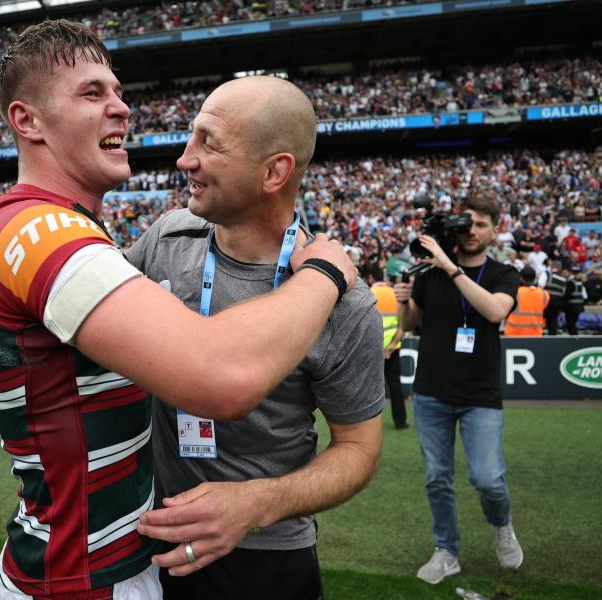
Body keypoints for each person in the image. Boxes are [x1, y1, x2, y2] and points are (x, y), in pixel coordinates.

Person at [0, 20, 355, 600]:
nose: (121, 108)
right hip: (80, 580)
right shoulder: (39, 231)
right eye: (92, 93)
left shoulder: (72, 233)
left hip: (118, 560)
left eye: (118, 92)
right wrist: (325, 274)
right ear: (27, 121)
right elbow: (221, 378)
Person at [128, 76, 383, 600]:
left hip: (266, 559)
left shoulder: (344, 303)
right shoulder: (166, 238)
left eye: (208, 142)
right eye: (190, 136)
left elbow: (358, 449)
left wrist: (256, 504)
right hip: (149, 541)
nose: (184, 159)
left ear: (275, 171)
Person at [394, 193, 523, 585]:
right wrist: (403, 302)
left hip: (479, 395)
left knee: (487, 477)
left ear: (495, 230)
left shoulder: (504, 273)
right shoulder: (429, 275)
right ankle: (446, 550)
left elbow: (495, 311)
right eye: (466, 223)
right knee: (437, 477)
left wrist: (449, 266)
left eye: (481, 224)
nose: (471, 230)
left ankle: (502, 524)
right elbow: (411, 324)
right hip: (432, 391)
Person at [371, 278, 408, 429]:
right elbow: (403, 326)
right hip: (392, 350)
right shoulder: (396, 295)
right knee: (395, 385)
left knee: (370, 388)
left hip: (372, 348)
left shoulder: (369, 294)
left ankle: (368, 423)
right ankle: (400, 422)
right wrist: (391, 346)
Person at [504, 267, 549, 337]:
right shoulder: (544, 294)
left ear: (521, 278)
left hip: (513, 333)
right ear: (535, 278)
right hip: (535, 334)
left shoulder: (514, 292)